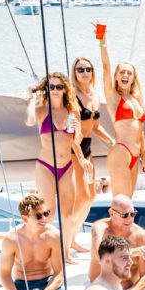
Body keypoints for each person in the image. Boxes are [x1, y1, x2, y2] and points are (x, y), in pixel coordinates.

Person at [27, 72, 90, 262]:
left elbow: (76, 141)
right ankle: (41, 251)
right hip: (45, 166)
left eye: (59, 87)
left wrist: (78, 131)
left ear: (65, 89)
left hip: (67, 166)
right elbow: (29, 121)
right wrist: (32, 98)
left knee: (68, 215)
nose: (55, 90)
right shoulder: (41, 110)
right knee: (49, 213)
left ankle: (65, 253)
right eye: (51, 87)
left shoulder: (73, 111)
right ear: (47, 89)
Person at [71, 56, 115, 250]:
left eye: (88, 69)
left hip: (89, 148)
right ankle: (68, 239)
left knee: (90, 197)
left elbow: (96, 127)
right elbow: (71, 130)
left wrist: (112, 141)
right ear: (74, 72)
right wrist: (80, 157)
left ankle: (72, 236)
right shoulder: (72, 95)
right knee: (81, 196)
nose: (84, 72)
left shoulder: (95, 96)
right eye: (80, 69)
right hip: (75, 149)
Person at [98, 30, 145, 197]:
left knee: (129, 202)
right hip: (121, 151)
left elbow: (140, 129)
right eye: (122, 72)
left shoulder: (136, 98)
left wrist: (143, 156)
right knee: (121, 203)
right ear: (116, 76)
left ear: (133, 78)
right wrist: (102, 39)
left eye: (129, 73)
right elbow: (105, 67)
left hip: (135, 155)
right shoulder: (113, 97)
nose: (126, 75)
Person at [89, 194, 145, 290]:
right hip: (97, 288)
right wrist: (129, 253)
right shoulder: (99, 228)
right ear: (111, 213)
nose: (130, 218)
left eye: (132, 214)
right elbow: (98, 253)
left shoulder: (141, 237)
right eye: (124, 215)